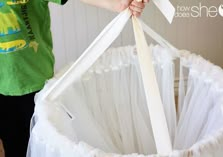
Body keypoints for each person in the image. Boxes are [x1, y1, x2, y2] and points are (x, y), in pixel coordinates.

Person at [0, 0, 149, 157]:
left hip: (36, 86)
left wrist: (119, 3)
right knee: (14, 145)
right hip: (3, 91)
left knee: (41, 143)